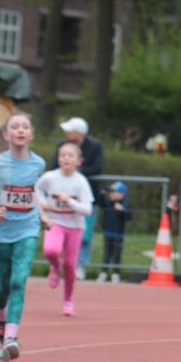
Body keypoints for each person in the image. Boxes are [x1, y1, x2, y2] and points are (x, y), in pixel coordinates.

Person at [0, 112, 45, 362]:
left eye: (25, 126)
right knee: (4, 285)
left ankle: (10, 337)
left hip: (27, 228)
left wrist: (42, 214)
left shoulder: (38, 164)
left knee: (19, 281)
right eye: (15, 127)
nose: (21, 131)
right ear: (6, 135)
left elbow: (34, 192)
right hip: (0, 232)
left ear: (31, 134)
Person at [36, 142, 94, 316]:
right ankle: (54, 266)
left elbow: (87, 210)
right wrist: (43, 204)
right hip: (55, 222)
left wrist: (70, 201)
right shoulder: (50, 177)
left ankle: (68, 299)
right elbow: (36, 190)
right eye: (62, 155)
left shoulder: (81, 182)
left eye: (70, 155)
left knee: (70, 265)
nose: (66, 158)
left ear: (79, 161)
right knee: (50, 250)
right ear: (58, 159)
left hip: (75, 227)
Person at [51, 117, 104, 281]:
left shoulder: (95, 146)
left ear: (78, 134)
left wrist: (75, 173)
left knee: (84, 232)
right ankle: (60, 262)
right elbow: (54, 165)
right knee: (60, 229)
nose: (66, 134)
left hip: (84, 196)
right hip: (62, 196)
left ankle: (80, 264)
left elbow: (97, 168)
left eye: (69, 131)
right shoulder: (62, 145)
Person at [96, 181, 131, 283]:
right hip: (108, 232)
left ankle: (116, 273)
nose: (111, 194)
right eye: (110, 192)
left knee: (117, 254)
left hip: (118, 234)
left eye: (113, 192)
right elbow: (101, 203)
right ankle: (103, 273)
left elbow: (129, 216)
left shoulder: (125, 203)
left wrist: (122, 210)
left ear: (121, 194)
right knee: (106, 253)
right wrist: (102, 193)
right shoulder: (109, 203)